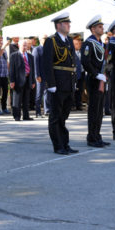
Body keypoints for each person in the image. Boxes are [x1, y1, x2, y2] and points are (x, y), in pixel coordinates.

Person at [42, 12, 79, 155]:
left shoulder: (69, 40)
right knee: (55, 116)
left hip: (68, 83)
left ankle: (65, 143)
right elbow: (47, 64)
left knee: (64, 116)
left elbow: (72, 63)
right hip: (57, 84)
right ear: (58, 25)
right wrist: (51, 84)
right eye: (66, 23)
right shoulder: (51, 41)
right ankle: (58, 146)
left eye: (69, 23)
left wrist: (74, 82)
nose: (69, 25)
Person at [81, 15, 109, 147]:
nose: (102, 28)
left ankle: (97, 135)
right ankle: (91, 137)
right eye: (99, 26)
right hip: (93, 79)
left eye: (102, 26)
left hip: (101, 78)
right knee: (93, 109)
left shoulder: (101, 44)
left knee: (99, 110)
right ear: (93, 29)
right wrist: (96, 74)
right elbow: (85, 61)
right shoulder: (89, 43)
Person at [9, 39, 36, 121]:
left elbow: (32, 69)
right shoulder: (14, 56)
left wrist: (33, 81)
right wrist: (12, 81)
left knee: (26, 99)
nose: (25, 47)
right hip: (18, 81)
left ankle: (26, 115)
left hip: (28, 79)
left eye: (26, 45)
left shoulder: (30, 56)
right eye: (23, 45)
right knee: (17, 99)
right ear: (19, 45)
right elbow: (11, 70)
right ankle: (17, 116)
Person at [33, 34, 49, 118]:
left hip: (47, 75)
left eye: (47, 38)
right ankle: (38, 112)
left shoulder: (48, 49)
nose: (46, 40)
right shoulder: (37, 49)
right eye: (44, 38)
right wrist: (37, 75)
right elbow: (35, 63)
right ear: (40, 39)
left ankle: (47, 110)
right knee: (39, 94)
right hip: (40, 76)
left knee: (47, 93)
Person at [72, 36, 84, 111]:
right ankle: (72, 105)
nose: (79, 45)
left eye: (80, 43)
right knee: (73, 90)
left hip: (82, 73)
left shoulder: (82, 52)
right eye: (77, 43)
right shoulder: (71, 52)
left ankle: (79, 105)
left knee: (80, 90)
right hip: (74, 73)